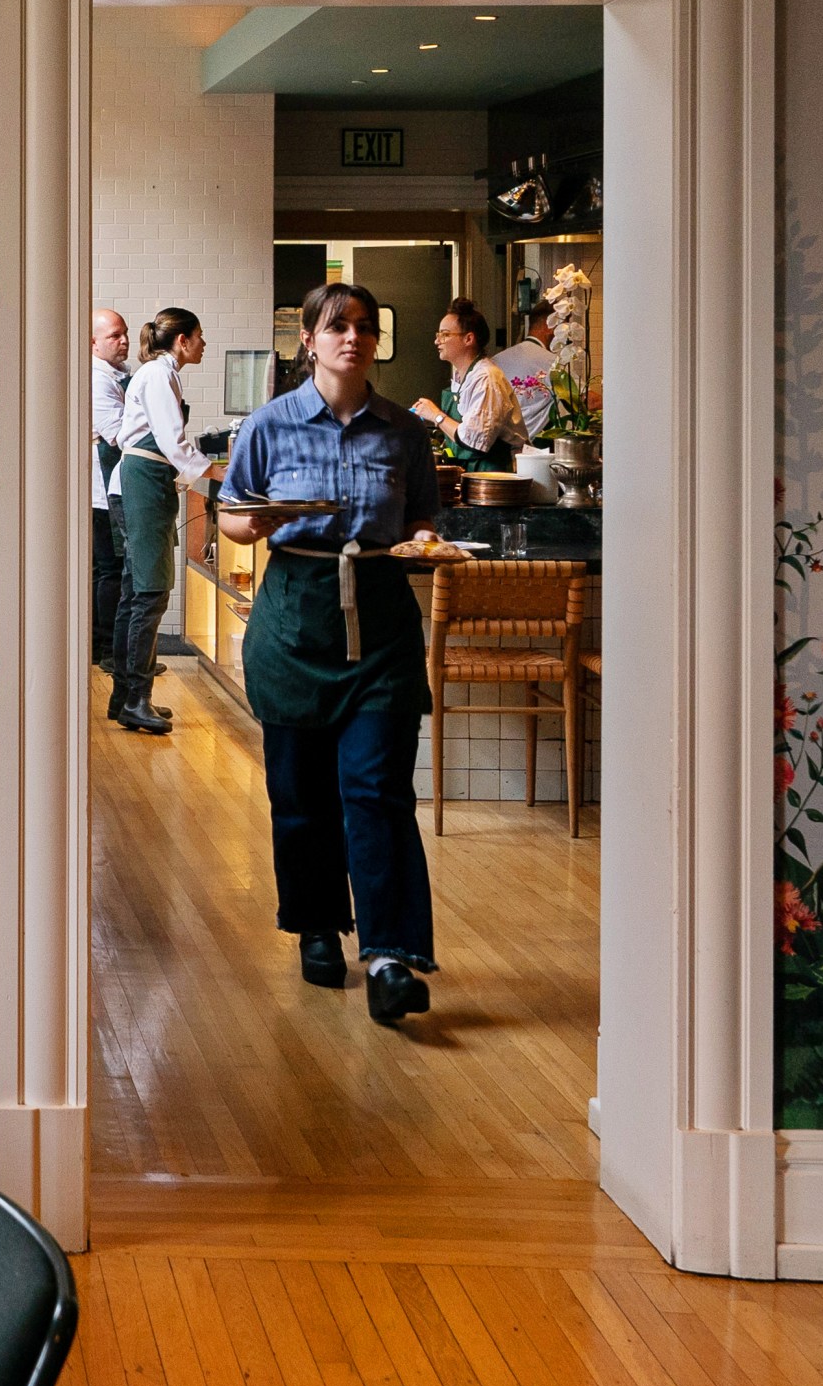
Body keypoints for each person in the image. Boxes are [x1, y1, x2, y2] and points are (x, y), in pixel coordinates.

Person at [218, 281, 444, 1025]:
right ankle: (317, 925)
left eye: (364, 327)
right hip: (295, 617)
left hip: (379, 618)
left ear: (376, 342)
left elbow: (420, 518)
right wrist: (255, 524)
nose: (352, 337)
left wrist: (424, 544)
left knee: (377, 789)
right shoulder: (268, 425)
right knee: (301, 792)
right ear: (308, 340)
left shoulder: (405, 432)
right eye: (336, 326)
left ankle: (390, 955)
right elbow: (234, 517)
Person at [108, 306, 219, 736]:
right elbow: (173, 442)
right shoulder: (158, 375)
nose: (204, 343)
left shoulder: (161, 374)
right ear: (182, 340)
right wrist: (214, 471)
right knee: (150, 594)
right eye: (200, 335)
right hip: (142, 483)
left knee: (136, 593)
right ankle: (137, 699)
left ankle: (126, 697)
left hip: (143, 483)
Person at [414, 296, 526, 463]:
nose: (437, 341)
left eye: (445, 335)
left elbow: (474, 441)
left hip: (495, 478)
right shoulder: (462, 377)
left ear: (468, 339)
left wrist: (436, 415)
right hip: (469, 474)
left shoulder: (487, 378)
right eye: (438, 335)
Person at [90, 307, 133, 691]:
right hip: (100, 491)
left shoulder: (114, 376)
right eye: (114, 336)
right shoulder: (96, 380)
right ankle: (106, 650)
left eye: (125, 334)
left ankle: (105, 648)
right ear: (93, 343)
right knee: (111, 570)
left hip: (105, 487)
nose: (124, 341)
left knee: (105, 569)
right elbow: (119, 433)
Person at [491, 295, 558, 442]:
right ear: (549, 326)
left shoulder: (496, 360)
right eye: (562, 327)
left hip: (501, 443)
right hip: (533, 444)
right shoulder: (551, 361)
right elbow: (586, 400)